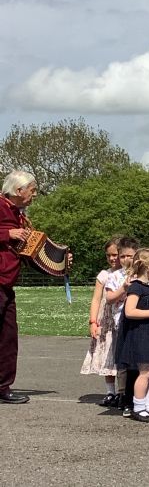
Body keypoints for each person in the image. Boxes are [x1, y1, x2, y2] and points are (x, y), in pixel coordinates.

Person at [0, 171, 38, 403]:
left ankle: (3, 387)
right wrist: (7, 233)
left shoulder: (21, 216)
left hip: (7, 283)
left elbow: (29, 251)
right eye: (32, 190)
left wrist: (60, 262)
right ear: (18, 190)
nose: (34, 195)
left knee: (8, 337)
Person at [116, 248, 149, 423]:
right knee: (145, 372)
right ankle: (138, 406)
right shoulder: (136, 287)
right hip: (141, 335)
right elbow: (130, 311)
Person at [80, 238, 121, 404]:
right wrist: (93, 322)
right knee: (107, 355)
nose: (112, 258)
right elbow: (96, 299)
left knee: (121, 355)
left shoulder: (129, 274)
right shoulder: (104, 275)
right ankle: (111, 391)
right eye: (108, 255)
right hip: (106, 321)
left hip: (121, 318)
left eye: (115, 255)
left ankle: (124, 392)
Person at [107, 236, 139, 416]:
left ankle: (137, 396)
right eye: (122, 256)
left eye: (130, 256)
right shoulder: (115, 276)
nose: (126, 260)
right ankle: (123, 394)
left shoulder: (141, 274)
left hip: (139, 321)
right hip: (121, 321)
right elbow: (109, 298)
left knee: (138, 362)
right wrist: (123, 289)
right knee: (124, 362)